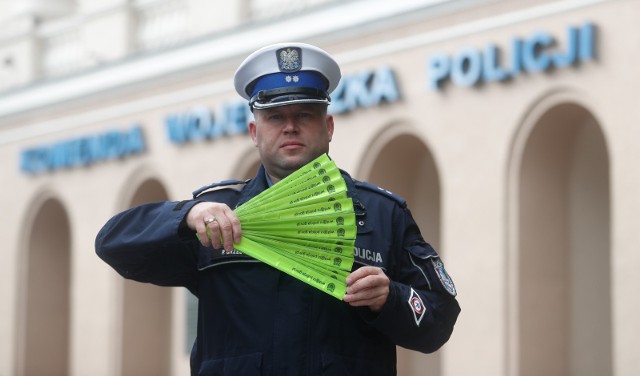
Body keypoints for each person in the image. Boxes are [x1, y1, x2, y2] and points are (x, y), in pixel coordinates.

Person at [96, 42, 460, 376]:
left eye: (304, 115)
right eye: (274, 117)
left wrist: (389, 298)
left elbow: (439, 320)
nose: (290, 127)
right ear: (254, 131)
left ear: (328, 126)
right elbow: (113, 245)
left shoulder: (383, 214)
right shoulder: (217, 212)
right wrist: (184, 216)